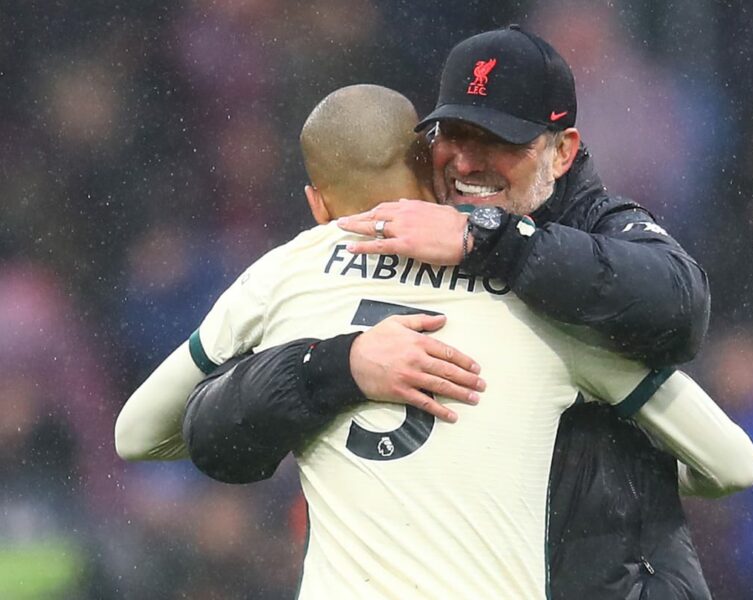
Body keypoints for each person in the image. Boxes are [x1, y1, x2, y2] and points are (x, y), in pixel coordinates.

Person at [123, 26, 717, 597]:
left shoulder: (591, 234)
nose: (467, 163)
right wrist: (337, 365)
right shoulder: (330, 268)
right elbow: (203, 438)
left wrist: (489, 240)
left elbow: (682, 307)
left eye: (501, 141)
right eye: (454, 135)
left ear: (562, 151)